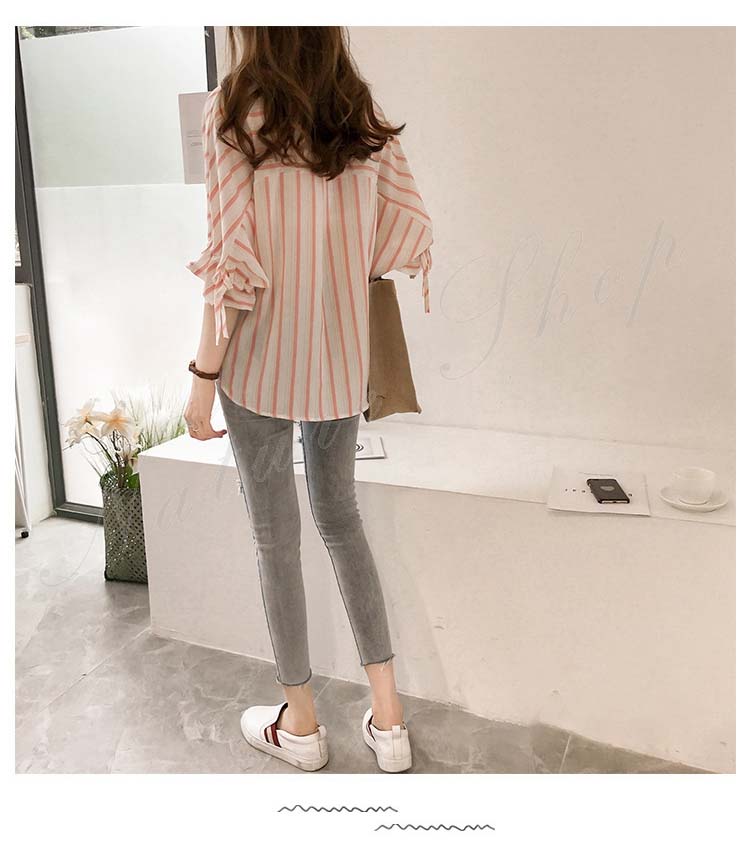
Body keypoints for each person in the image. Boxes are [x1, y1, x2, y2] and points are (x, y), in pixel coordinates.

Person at [183, 26, 433, 773]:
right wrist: (333, 254)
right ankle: (389, 719)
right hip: (340, 364)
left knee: (275, 540)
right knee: (342, 522)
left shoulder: (236, 108)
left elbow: (230, 264)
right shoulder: (356, 109)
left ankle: (300, 724)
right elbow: (403, 230)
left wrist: (201, 381)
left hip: (258, 365)